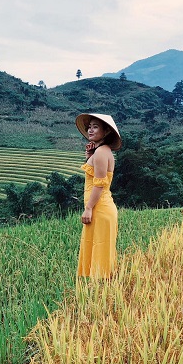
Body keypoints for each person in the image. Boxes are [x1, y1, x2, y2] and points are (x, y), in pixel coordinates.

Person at [75, 113, 122, 279]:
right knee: (97, 250)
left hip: (99, 208)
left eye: (95, 126)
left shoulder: (102, 152)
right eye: (89, 127)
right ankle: (100, 295)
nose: (90, 130)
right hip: (100, 208)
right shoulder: (100, 151)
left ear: (106, 131)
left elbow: (100, 183)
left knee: (100, 251)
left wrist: (88, 208)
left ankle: (102, 295)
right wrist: (90, 157)